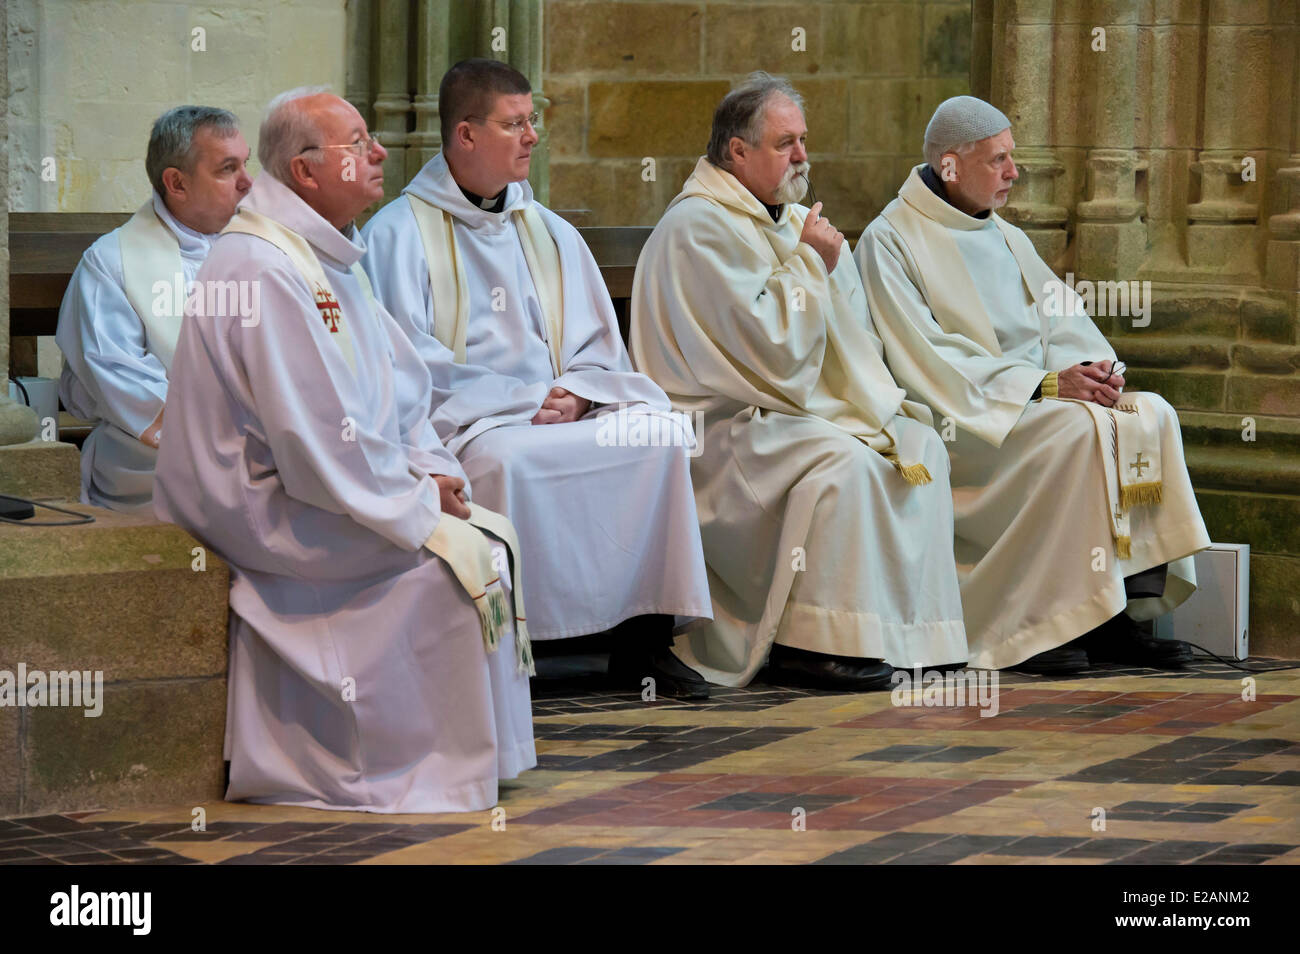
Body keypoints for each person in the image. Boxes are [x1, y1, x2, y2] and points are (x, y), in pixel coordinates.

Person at [153, 87, 535, 812]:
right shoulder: (264, 268)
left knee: (488, 535)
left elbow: (400, 389)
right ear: (304, 171)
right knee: (445, 569)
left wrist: (429, 468)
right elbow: (315, 438)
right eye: (358, 143)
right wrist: (420, 500)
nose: (381, 153)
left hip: (319, 485)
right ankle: (394, 764)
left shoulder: (325, 256)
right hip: (263, 509)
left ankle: (478, 756)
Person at [361, 59, 713, 698]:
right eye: (514, 124)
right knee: (507, 462)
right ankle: (516, 648)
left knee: (657, 438)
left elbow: (599, 348)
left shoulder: (550, 233)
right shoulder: (397, 236)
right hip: (472, 425)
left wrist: (582, 392)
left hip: (563, 412)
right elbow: (406, 369)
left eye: (533, 122)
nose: (532, 137)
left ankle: (643, 645)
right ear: (465, 135)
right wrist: (524, 399)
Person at [629, 72, 969, 690]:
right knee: (848, 467)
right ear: (737, 151)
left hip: (780, 412)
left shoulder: (783, 219)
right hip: (720, 429)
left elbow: (844, 336)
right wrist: (814, 261)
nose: (803, 157)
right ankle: (815, 643)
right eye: (787, 143)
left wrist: (820, 262)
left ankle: (911, 637)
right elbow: (772, 354)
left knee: (919, 445)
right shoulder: (697, 229)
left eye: (803, 141)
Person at [854, 95, 1211, 674]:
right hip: (964, 423)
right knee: (1077, 433)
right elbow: (927, 359)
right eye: (998, 160)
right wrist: (1043, 385)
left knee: (1149, 415)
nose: (1013, 173)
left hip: (1031, 401)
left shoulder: (1004, 236)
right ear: (950, 165)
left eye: (1011, 158)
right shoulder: (889, 240)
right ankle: (1046, 625)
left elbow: (1061, 319)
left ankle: (1120, 615)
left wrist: (1094, 370)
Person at [56, 106, 251, 512]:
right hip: (154, 464)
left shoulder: (262, 248)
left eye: (246, 164)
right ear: (176, 183)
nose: (248, 183)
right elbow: (120, 379)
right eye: (228, 169)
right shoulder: (112, 262)